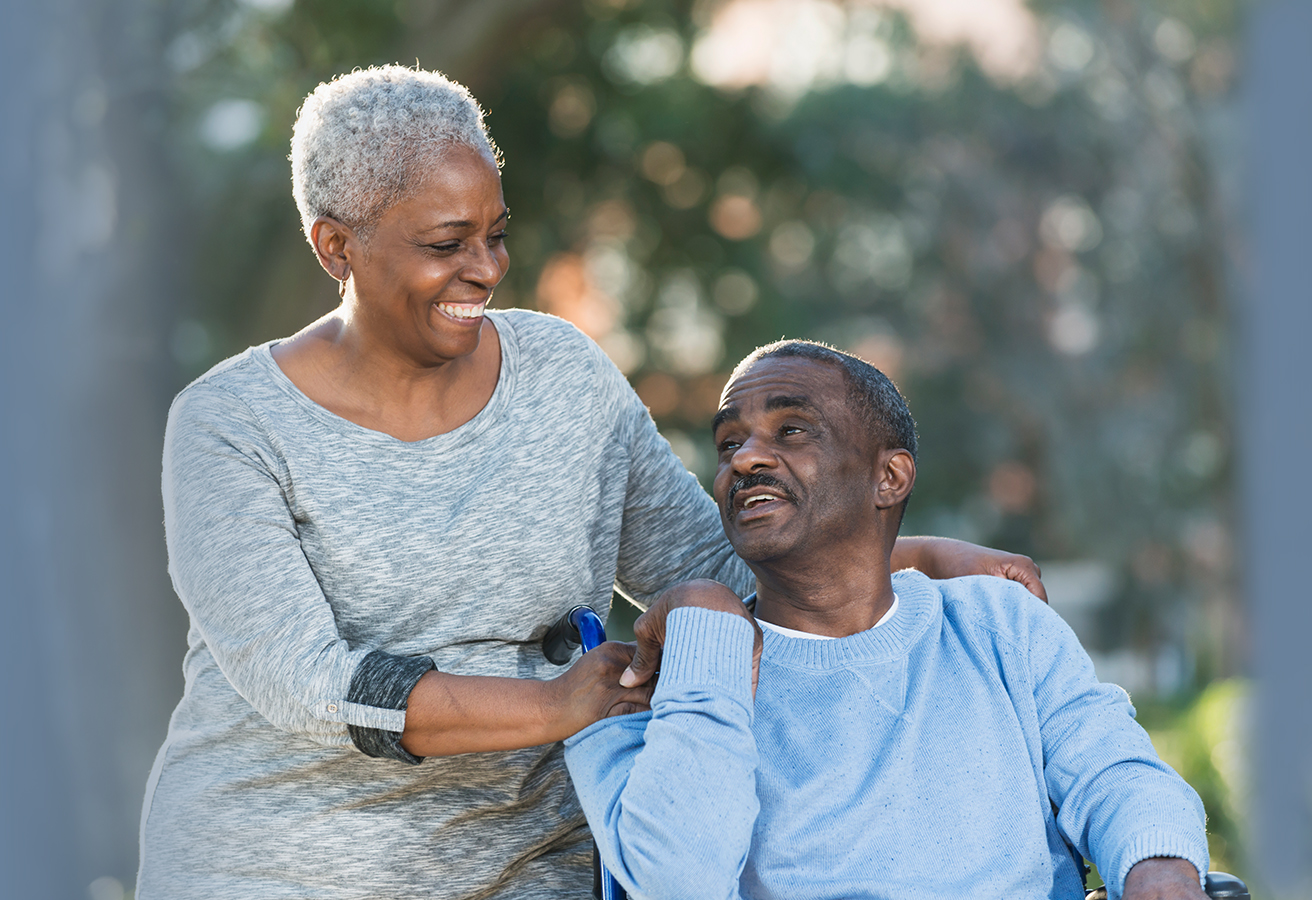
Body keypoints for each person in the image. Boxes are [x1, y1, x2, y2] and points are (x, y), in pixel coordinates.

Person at [138, 67, 1047, 899]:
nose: (486, 270)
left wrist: (920, 555)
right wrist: (551, 703)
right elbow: (306, 680)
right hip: (275, 866)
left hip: (537, 866)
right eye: (446, 243)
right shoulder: (229, 426)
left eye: (496, 235)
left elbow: (712, 570)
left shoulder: (563, 376)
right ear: (336, 247)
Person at [565, 340, 1211, 900]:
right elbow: (681, 883)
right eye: (729, 442)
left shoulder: (998, 626)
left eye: (791, 430)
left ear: (890, 477)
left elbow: (1115, 772)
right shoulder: (677, 683)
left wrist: (1160, 871)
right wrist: (707, 614)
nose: (744, 459)